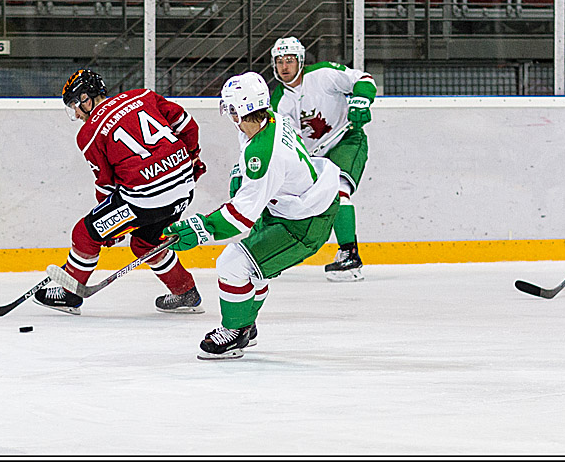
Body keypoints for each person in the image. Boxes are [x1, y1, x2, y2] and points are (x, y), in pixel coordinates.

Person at [162, 71, 342, 359]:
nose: (229, 115)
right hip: (291, 208)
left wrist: (201, 228)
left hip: (303, 224)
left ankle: (234, 332)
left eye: (230, 108)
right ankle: (246, 326)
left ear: (238, 110)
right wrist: (242, 175)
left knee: (232, 264)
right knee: (254, 272)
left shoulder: (263, 152)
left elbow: (242, 216)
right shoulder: (271, 120)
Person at [33, 70, 208, 314]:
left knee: (85, 233)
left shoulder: (89, 132)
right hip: (184, 187)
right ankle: (185, 292)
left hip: (147, 199)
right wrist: (192, 157)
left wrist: (107, 229)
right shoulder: (143, 96)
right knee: (145, 242)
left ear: (87, 97)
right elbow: (187, 125)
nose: (75, 113)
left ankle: (70, 294)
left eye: (75, 104)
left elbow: (106, 184)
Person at [269, 36, 376, 281]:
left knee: (338, 190)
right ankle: (273, 255)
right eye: (280, 61)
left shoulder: (323, 74)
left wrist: (361, 99)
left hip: (346, 141)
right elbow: (286, 142)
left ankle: (350, 256)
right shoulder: (278, 102)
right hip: (314, 158)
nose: (284, 66)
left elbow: (363, 79)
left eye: (290, 60)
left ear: (301, 61)